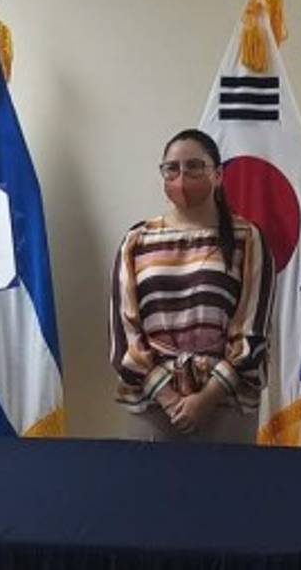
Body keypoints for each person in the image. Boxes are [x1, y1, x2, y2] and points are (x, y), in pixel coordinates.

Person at [110, 129, 275, 443]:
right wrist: (168, 397)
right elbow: (124, 330)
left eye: (194, 167)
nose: (182, 177)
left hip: (226, 404)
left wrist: (207, 397)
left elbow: (253, 330)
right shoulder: (137, 241)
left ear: (218, 174)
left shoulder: (247, 238)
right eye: (172, 168)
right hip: (153, 405)